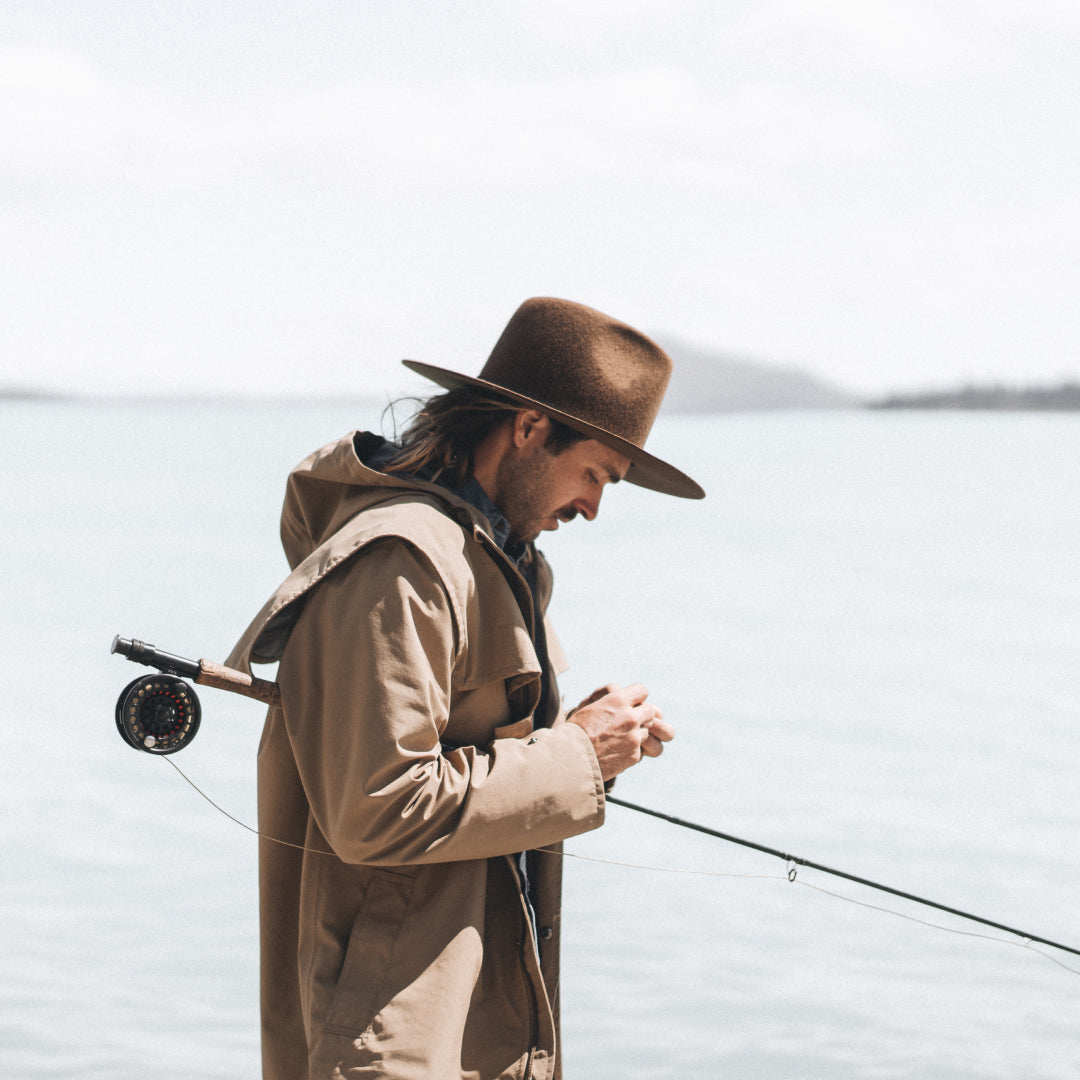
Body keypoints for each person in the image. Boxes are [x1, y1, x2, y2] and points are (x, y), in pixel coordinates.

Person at [226, 297, 705, 1080]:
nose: (592, 507)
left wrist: (587, 747)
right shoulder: (402, 564)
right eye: (594, 474)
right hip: (384, 1040)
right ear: (527, 430)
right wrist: (578, 755)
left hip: (458, 1024)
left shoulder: (494, 559)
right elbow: (376, 809)